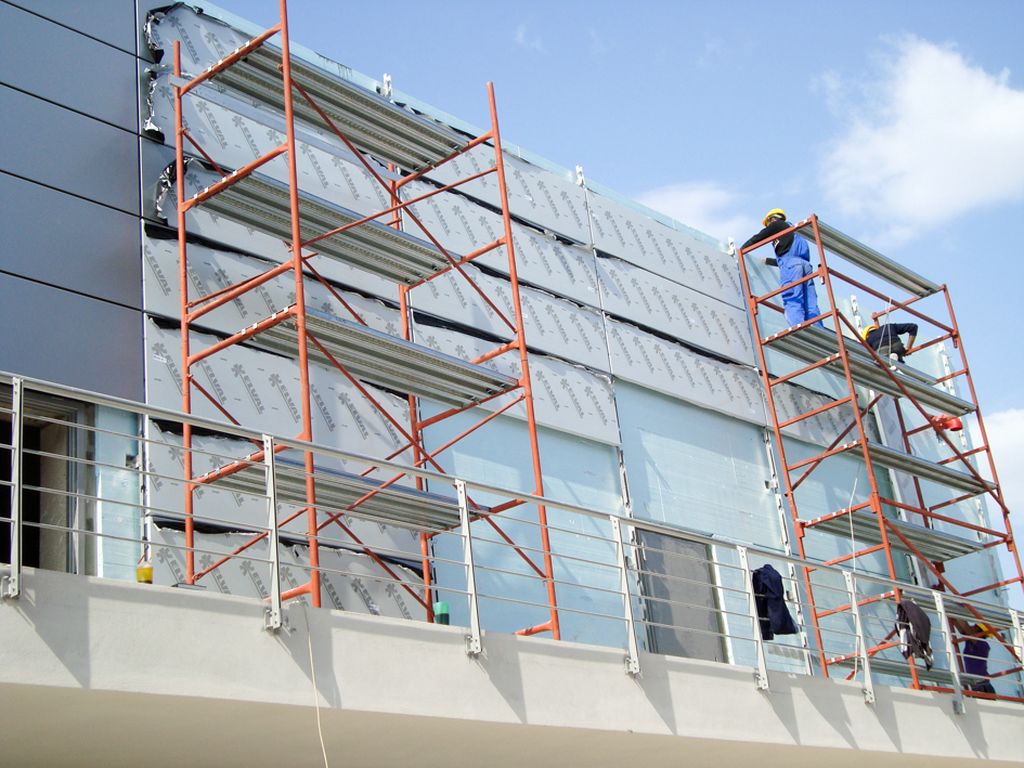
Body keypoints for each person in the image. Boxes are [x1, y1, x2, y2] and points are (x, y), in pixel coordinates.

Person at [742, 208, 824, 328]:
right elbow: (793, 258)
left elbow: (758, 237)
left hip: (791, 267)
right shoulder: (795, 230)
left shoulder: (776, 225)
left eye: (768, 224)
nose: (768, 227)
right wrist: (769, 261)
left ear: (772, 219)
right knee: (810, 303)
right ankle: (818, 330)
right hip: (806, 267)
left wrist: (741, 250)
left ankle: (798, 329)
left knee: (792, 298)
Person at [952, 617, 996, 695]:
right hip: (975, 685)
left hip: (982, 686)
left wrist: (957, 611)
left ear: (980, 631)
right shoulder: (971, 640)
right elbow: (962, 630)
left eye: (976, 626)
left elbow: (966, 627)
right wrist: (952, 616)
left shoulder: (983, 645)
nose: (973, 626)